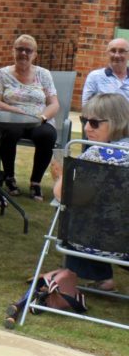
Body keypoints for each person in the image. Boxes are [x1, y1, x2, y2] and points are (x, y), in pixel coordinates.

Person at [50, 93, 129, 291]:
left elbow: (64, 196)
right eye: (84, 120)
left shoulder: (96, 154)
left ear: (116, 122)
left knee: (71, 213)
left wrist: (60, 176)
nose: (86, 128)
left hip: (100, 244)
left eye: (94, 123)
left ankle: (99, 276)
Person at [0, 34, 59, 201]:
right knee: (9, 133)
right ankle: (9, 177)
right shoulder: (2, 74)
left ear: (34, 54)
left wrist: (41, 118)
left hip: (38, 119)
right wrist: (12, 109)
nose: (23, 53)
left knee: (47, 135)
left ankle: (35, 182)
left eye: (28, 50)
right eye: (20, 49)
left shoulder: (44, 74)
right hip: (12, 119)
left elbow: (54, 104)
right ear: (13, 51)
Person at [81, 37, 129, 104]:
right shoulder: (95, 76)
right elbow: (86, 106)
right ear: (107, 53)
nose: (117, 55)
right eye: (113, 51)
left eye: (121, 51)